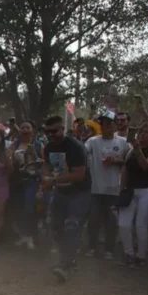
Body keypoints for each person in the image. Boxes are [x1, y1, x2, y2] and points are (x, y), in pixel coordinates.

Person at [41, 115, 91, 282]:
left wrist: (53, 180)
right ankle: (68, 258)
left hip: (79, 192)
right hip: (61, 191)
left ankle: (65, 265)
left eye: (54, 131)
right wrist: (45, 180)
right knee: (54, 225)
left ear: (62, 129)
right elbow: (46, 168)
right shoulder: (47, 148)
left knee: (72, 225)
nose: (50, 135)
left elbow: (79, 175)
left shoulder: (75, 147)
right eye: (47, 132)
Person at [84, 111, 129, 259]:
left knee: (111, 221)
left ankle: (109, 250)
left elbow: (130, 162)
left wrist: (116, 161)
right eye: (102, 123)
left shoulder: (122, 142)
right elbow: (84, 151)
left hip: (114, 189)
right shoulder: (93, 141)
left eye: (108, 123)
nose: (105, 126)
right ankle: (92, 247)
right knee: (93, 220)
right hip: (96, 188)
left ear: (114, 125)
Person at [118, 122, 148, 267]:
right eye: (141, 131)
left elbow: (146, 166)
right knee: (123, 223)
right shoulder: (130, 151)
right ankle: (128, 253)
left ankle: (141, 255)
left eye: (147, 132)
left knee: (141, 224)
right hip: (130, 190)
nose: (142, 134)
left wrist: (137, 148)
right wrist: (121, 189)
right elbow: (125, 170)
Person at [9, 121, 43, 251]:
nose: (24, 129)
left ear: (32, 130)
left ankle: (31, 237)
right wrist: (13, 158)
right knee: (18, 208)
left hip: (32, 182)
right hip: (17, 182)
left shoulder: (39, 145)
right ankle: (23, 236)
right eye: (22, 127)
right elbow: (8, 159)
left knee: (30, 209)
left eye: (27, 127)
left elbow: (44, 163)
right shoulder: (14, 145)